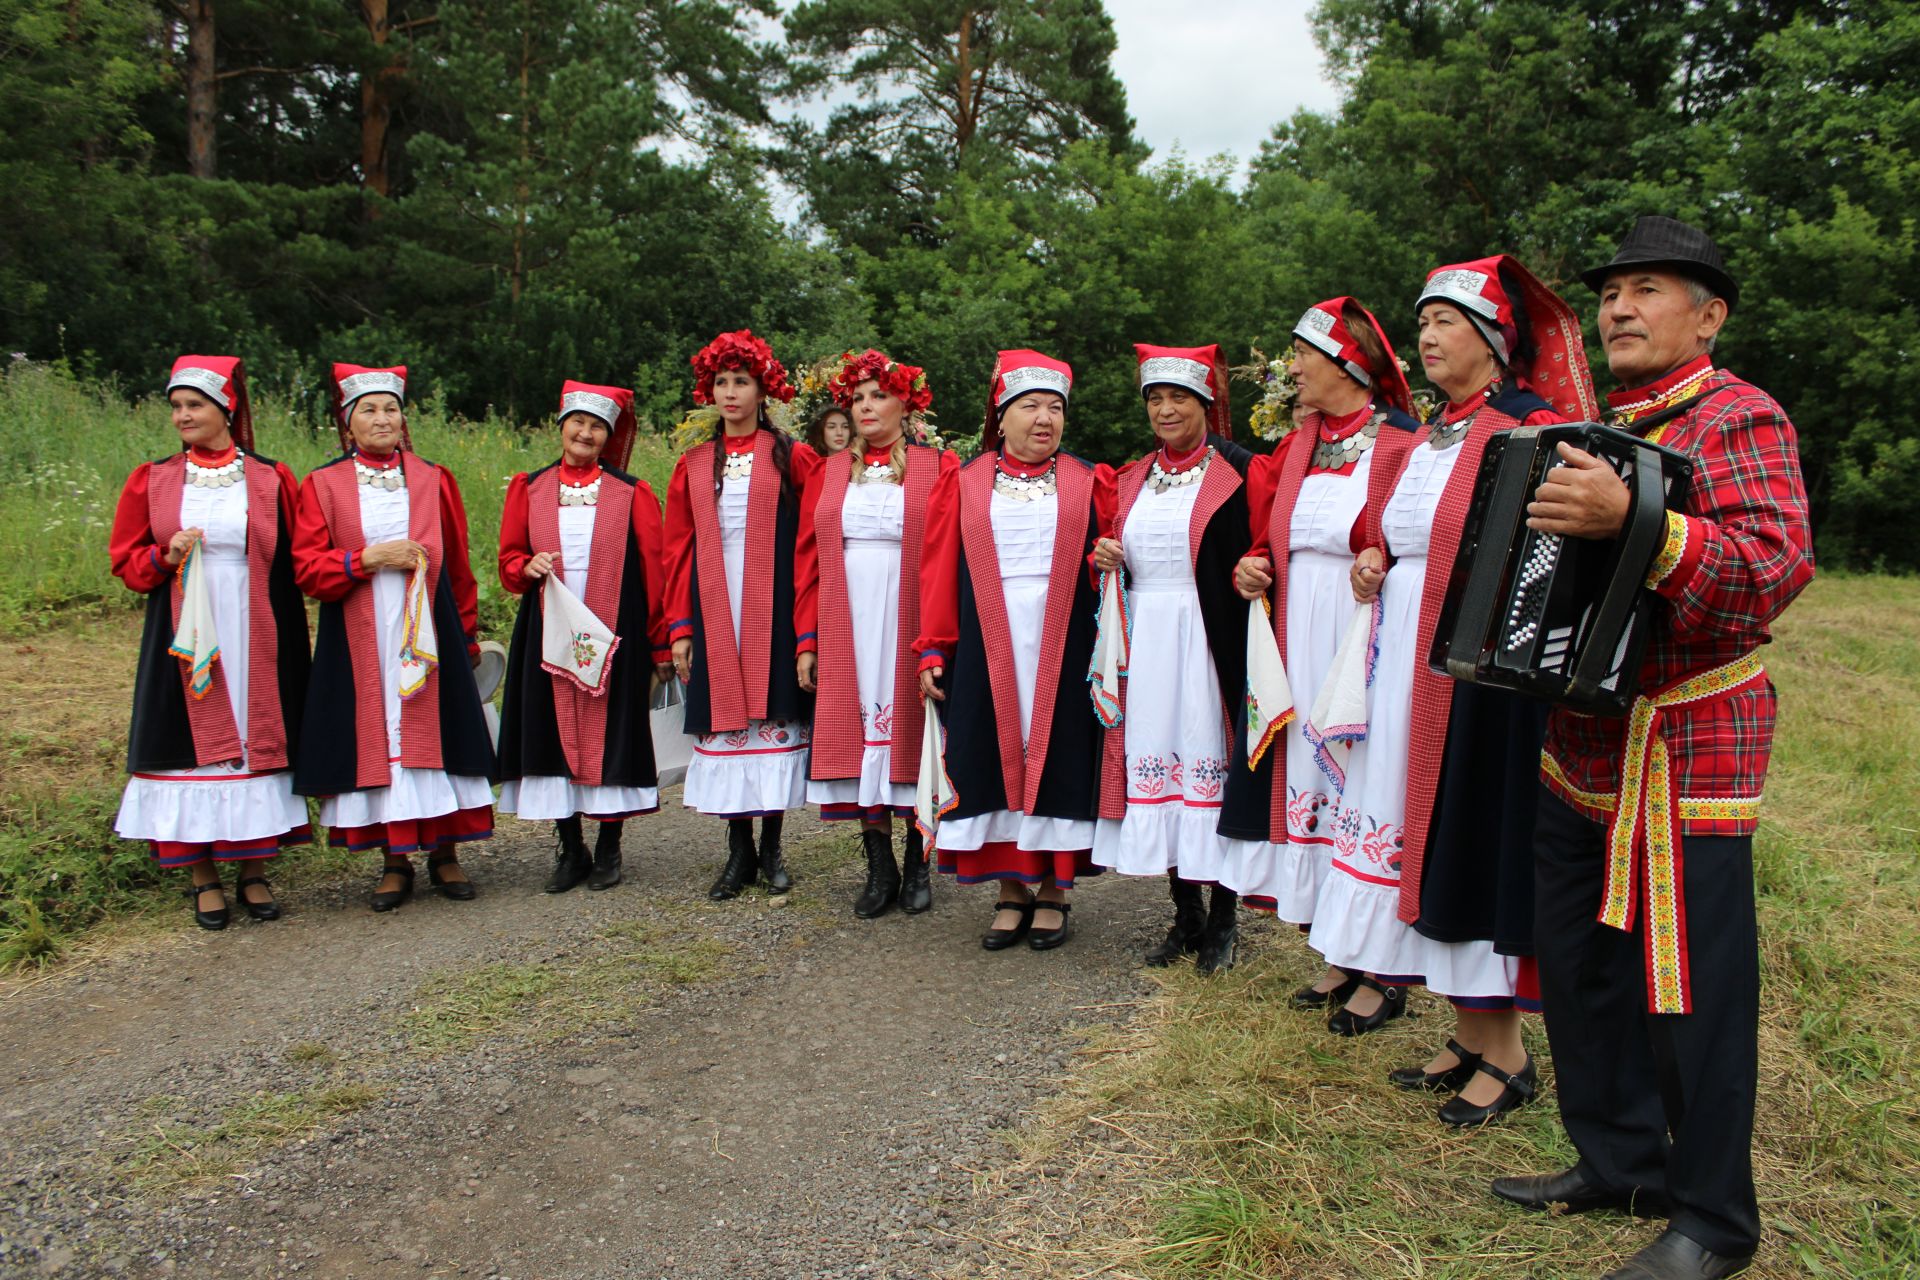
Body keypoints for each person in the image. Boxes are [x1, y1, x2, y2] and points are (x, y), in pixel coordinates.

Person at [1492, 217, 1813, 1280]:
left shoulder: (1742, 416)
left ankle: (1715, 1219)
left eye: (1649, 290)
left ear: (1709, 315)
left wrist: (1642, 520)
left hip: (1689, 743)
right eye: (1613, 290)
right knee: (1582, 971)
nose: (1620, 307)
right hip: (1579, 739)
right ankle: (1619, 1159)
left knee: (1693, 992)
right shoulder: (1595, 425)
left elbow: (1769, 573)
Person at [1322, 258, 1596, 1128]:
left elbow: (1550, 556)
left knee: (1467, 836)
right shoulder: (1430, 432)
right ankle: (1468, 1032)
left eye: (1445, 322)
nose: (1428, 339)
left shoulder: (1532, 427)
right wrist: (1376, 561)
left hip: (1477, 675)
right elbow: (1397, 535)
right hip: (1405, 664)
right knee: (1421, 840)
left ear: (1491, 339)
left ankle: (1508, 1053)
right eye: (1424, 323)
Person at [1226, 299, 1421, 1004]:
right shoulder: (1297, 445)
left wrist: (1380, 562)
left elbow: (1415, 542)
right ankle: (1341, 951)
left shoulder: (1402, 444)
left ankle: (1384, 970)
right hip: (1297, 636)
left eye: (1303, 355)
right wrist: (1253, 567)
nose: (1294, 369)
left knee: (1364, 783)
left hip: (1363, 634)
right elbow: (1271, 537)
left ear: (1346, 362)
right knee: (1314, 782)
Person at [916, 350, 1114, 948]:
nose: (1044, 419)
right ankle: (1009, 888)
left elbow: (1112, 559)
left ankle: (1054, 889)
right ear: (1000, 418)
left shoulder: (1090, 480)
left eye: (1055, 408)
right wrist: (933, 648)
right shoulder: (966, 481)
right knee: (988, 754)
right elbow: (938, 568)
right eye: (1029, 406)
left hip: (1066, 638)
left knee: (1060, 754)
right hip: (985, 640)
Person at [109, 355, 312, 929]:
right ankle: (204, 879)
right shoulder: (154, 478)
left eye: (193, 405)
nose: (182, 416)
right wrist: (162, 554)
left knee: (255, 737)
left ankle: (252, 872)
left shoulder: (271, 477)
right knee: (192, 744)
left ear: (226, 408)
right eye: (176, 407)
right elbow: (125, 560)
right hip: (185, 624)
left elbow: (300, 554)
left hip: (255, 620)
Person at [292, 364, 496, 910]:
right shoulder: (323, 484)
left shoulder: (433, 478)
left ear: (403, 418)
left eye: (390, 408)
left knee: (440, 734)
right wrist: (366, 558)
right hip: (361, 633)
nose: (381, 419)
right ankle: (394, 860)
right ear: (347, 423)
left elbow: (457, 564)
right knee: (378, 738)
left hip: (430, 628)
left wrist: (467, 633)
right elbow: (308, 569)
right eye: (368, 410)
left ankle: (446, 853)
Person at [1089, 344, 1263, 973]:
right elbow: (1116, 557)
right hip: (1149, 640)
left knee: (1208, 759)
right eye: (1155, 399)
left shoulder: (1241, 471)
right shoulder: (1130, 478)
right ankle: (1184, 911)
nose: (1165, 410)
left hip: (1209, 634)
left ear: (1206, 404)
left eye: (1179, 398)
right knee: (1156, 764)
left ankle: (1223, 918)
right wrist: (1102, 560)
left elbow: (1265, 546)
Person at [796, 349, 956, 918]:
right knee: (857, 738)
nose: (866, 407)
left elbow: (948, 554)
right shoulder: (830, 470)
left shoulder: (939, 466)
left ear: (904, 403)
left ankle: (917, 864)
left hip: (910, 612)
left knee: (912, 735)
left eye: (878, 396)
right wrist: (807, 640)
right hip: (847, 616)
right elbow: (809, 559)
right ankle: (878, 867)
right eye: (857, 399)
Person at [496, 381, 671, 893]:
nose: (585, 432)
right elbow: (508, 561)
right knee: (550, 734)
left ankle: (610, 847)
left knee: (612, 733)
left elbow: (654, 569)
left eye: (596, 426)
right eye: (577, 422)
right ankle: (570, 848)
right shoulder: (528, 487)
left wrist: (658, 641)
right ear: (561, 427)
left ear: (608, 435)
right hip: (548, 635)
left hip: (615, 633)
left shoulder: (632, 492)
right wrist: (525, 566)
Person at [664, 331, 820, 901]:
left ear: (762, 390)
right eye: (722, 383)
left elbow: (811, 540)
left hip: (772, 606)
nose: (730, 393)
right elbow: (676, 548)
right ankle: (738, 852)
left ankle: (773, 847)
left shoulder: (792, 456)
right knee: (727, 723)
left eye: (742, 382)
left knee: (770, 718)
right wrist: (680, 627)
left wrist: (808, 629)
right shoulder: (695, 463)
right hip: (713, 606)